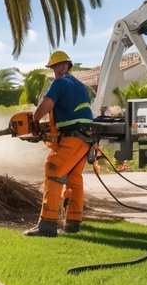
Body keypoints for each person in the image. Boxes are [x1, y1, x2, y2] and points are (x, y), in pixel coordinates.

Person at [25, 50, 95, 237]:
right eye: (57, 66)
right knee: (74, 178)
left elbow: (47, 105)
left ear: (61, 67)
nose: (58, 69)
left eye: (59, 66)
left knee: (53, 169)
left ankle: (46, 225)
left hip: (73, 137)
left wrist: (35, 119)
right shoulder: (81, 86)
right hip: (86, 138)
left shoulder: (59, 83)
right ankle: (73, 222)